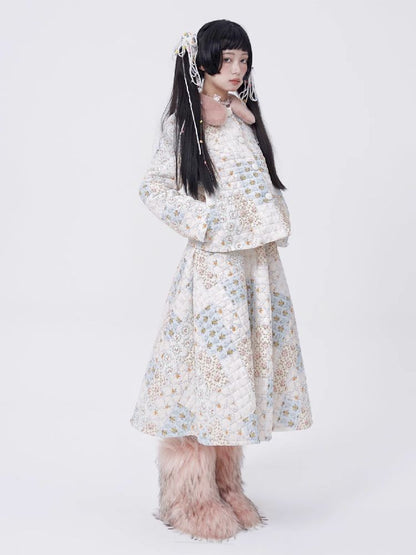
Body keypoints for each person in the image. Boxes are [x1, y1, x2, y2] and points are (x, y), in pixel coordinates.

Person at [130, 19, 313, 542]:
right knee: (206, 374)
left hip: (253, 267)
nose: (237, 70)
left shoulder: (241, 117)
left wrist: (266, 221)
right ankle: (189, 496)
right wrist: (206, 223)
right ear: (201, 63)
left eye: (243, 60)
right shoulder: (185, 123)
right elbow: (154, 187)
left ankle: (226, 485)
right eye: (227, 60)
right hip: (215, 273)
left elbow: (256, 185)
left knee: (236, 375)